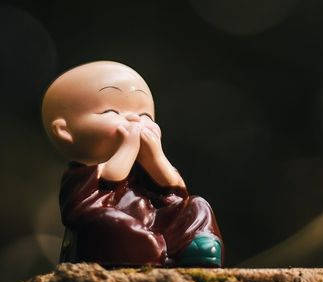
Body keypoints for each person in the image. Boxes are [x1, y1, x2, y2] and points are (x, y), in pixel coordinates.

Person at [41, 60, 223, 268]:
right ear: (65, 131)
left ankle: (197, 243)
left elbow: (176, 189)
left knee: (196, 204)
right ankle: (148, 251)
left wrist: (154, 157)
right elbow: (108, 182)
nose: (134, 120)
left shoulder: (142, 167)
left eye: (144, 115)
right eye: (111, 112)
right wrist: (127, 148)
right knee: (109, 221)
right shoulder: (81, 173)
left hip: (152, 223)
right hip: (105, 239)